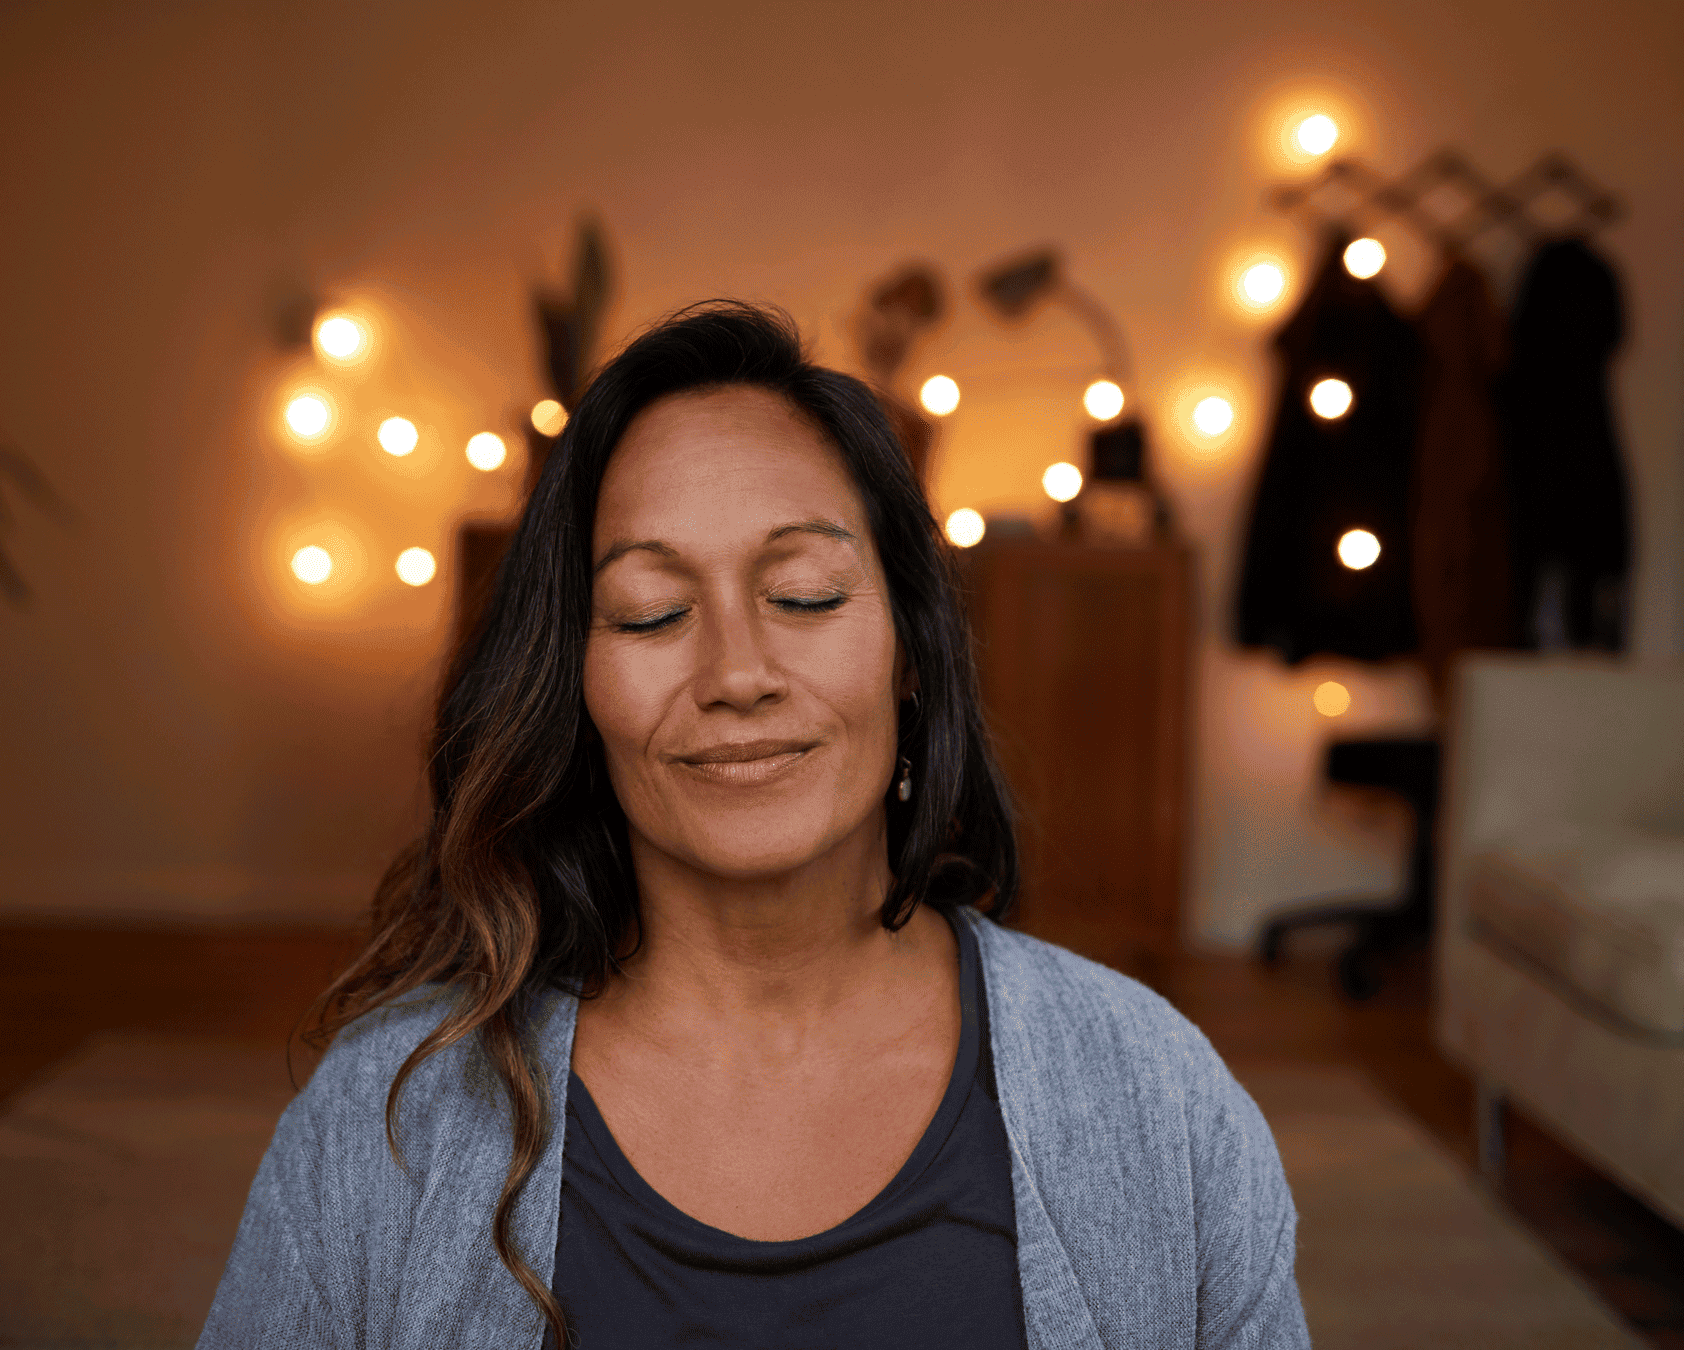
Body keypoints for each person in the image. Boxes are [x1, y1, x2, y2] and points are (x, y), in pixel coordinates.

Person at [199, 302, 1308, 1349]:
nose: (737, 673)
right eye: (651, 614)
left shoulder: (1156, 1095)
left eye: (806, 594)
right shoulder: (388, 1118)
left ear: (911, 652)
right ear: (572, 684)